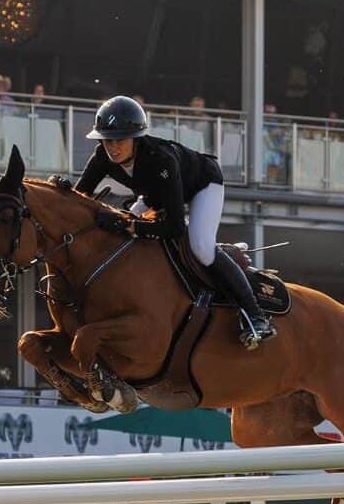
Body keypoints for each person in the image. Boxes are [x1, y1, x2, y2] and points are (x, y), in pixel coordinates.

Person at [74, 95, 276, 348]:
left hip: (202, 184)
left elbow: (174, 227)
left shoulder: (161, 159)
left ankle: (256, 316)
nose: (112, 147)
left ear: (136, 139)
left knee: (200, 247)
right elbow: (78, 196)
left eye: (119, 140)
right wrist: (59, 190)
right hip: (155, 194)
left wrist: (130, 225)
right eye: (106, 140)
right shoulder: (101, 157)